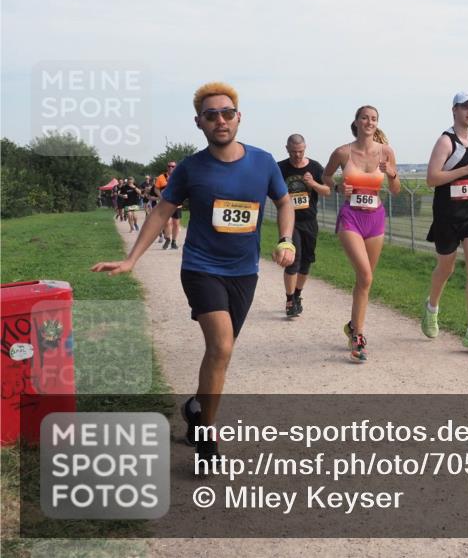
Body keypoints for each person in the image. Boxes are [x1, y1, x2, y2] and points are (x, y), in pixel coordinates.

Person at [92, 82, 295, 466]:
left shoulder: (264, 162)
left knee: (221, 352)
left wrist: (286, 238)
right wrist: (132, 259)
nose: (220, 120)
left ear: (239, 117)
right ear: (199, 122)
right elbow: (160, 213)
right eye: (211, 115)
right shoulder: (190, 168)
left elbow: (284, 201)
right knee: (221, 346)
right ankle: (207, 436)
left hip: (244, 272)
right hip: (201, 267)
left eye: (227, 113)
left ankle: (197, 409)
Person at [322, 106, 401, 362]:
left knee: (364, 280)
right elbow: (325, 176)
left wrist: (392, 175)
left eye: (374, 119)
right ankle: (359, 337)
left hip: (375, 218)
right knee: (365, 276)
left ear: (377, 124)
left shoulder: (386, 152)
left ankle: (353, 325)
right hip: (351, 217)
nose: (369, 122)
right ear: (356, 122)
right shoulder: (343, 152)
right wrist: (336, 188)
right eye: (365, 118)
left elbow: (396, 189)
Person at [422, 92, 468, 351]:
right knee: (446, 268)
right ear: (454, 110)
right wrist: (465, 170)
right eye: (465, 106)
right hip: (447, 213)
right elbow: (431, 179)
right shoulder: (445, 141)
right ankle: (431, 308)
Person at [277, 134, 330, 317]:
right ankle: (290, 300)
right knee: (293, 259)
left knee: (306, 261)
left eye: (300, 151)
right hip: (289, 222)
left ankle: (297, 295)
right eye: (293, 152)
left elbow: (327, 191)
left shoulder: (314, 167)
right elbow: (269, 189)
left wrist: (313, 183)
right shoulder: (280, 168)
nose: (297, 155)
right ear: (287, 149)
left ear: (305, 148)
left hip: (309, 221)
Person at [156, 162, 182, 249]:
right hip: (166, 203)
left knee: (176, 224)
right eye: (169, 166)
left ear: (176, 167)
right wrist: (160, 196)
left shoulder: (180, 176)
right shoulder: (161, 177)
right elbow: (156, 188)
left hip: (177, 204)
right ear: (167, 167)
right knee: (167, 222)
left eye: (173, 166)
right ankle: (167, 239)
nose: (171, 167)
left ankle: (174, 242)